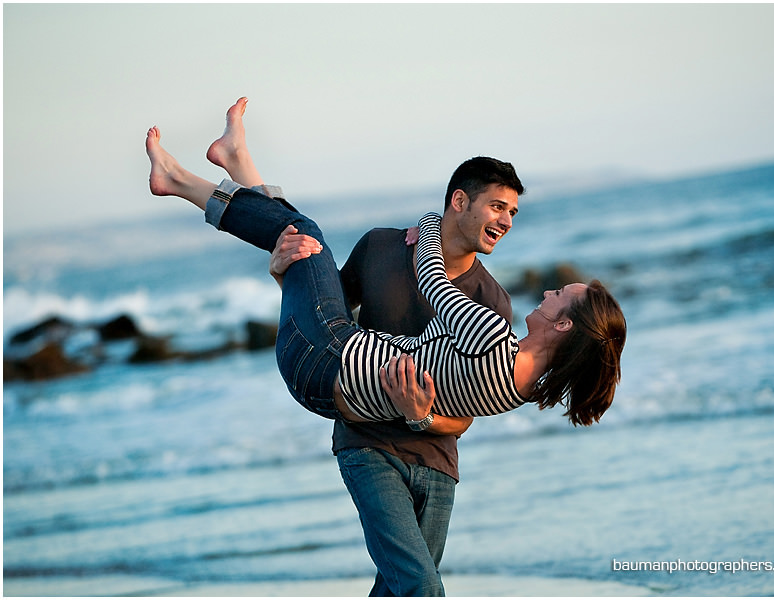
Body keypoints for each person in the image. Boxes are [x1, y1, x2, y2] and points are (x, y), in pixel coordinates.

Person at [146, 99, 626, 593]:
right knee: (410, 588)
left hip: (371, 404)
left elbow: (434, 292)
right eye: (499, 206)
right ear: (461, 201)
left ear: (566, 326)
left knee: (415, 588)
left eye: (560, 296)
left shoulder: (492, 319)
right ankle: (224, 167)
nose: (549, 290)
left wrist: (425, 229)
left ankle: (195, 177)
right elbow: (324, 300)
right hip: (349, 405)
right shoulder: (520, 386)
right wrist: (282, 271)